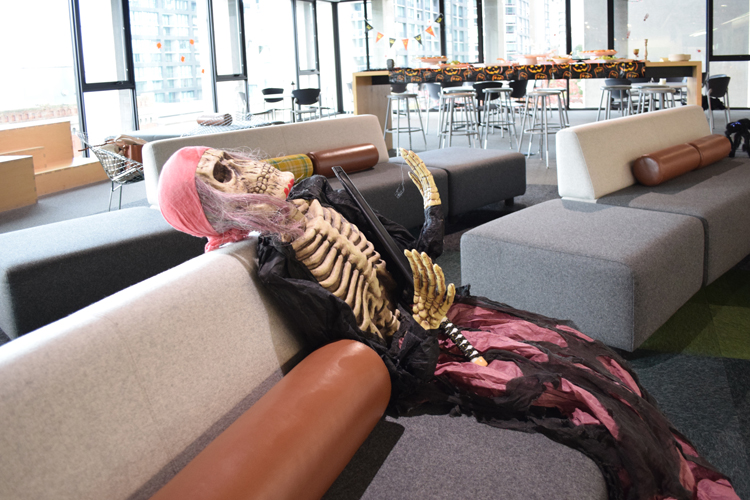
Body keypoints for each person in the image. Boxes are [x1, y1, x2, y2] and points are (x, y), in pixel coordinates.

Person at [157, 145, 739, 500]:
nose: (250, 171)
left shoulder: (321, 197)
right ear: (212, 210)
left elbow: (406, 256)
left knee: (583, 352)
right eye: (225, 175)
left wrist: (433, 209)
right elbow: (361, 342)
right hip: (414, 355)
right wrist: (420, 329)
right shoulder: (281, 267)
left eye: (233, 159)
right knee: (572, 395)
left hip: (435, 315)